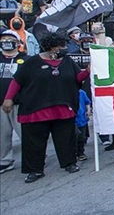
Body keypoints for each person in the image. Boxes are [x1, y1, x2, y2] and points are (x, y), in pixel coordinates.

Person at [2, 32, 88, 183]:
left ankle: (69, 163)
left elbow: (77, 78)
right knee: (34, 142)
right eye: (61, 46)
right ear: (52, 48)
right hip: (36, 109)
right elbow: (17, 81)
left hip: (62, 108)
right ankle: (35, 170)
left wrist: (87, 71)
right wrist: (8, 98)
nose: (64, 48)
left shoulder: (67, 61)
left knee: (66, 139)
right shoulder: (32, 62)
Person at [0, 30, 27, 173]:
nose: (6, 41)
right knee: (2, 135)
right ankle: (5, 161)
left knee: (26, 133)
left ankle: (33, 158)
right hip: (0, 104)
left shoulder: (27, 60)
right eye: (3, 39)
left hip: (20, 104)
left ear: (18, 43)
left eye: (10, 39)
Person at [74, 89, 91, 161]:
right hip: (72, 119)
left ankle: (81, 153)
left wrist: (88, 110)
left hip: (82, 118)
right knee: (74, 137)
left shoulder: (81, 92)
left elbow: (87, 102)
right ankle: (74, 153)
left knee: (82, 137)